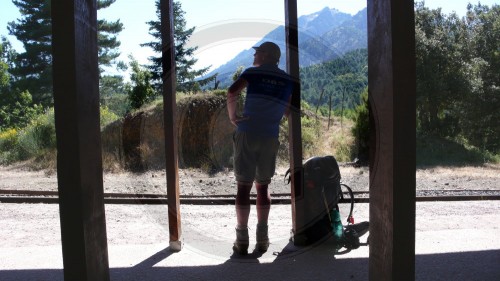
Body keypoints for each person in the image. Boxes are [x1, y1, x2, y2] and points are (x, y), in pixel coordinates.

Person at [227, 41, 293, 255]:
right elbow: (287, 110)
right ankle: (262, 239)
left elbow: (232, 92)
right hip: (269, 135)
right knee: (263, 187)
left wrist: (233, 117)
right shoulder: (286, 79)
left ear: (265, 55)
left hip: (247, 132)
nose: (254, 55)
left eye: (257, 52)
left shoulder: (252, 73)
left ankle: (241, 239)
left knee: (243, 187)